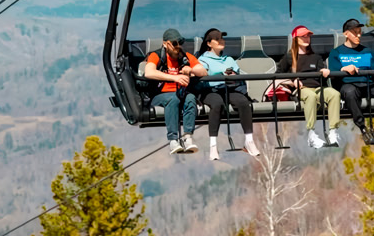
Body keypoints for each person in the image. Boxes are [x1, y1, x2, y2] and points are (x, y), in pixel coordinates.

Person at [328, 18, 374, 152]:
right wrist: (343, 69)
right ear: (346, 34)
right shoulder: (337, 53)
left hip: (369, 84)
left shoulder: (368, 51)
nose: (358, 35)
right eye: (355, 32)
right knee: (350, 93)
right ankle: (363, 128)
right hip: (349, 84)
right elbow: (333, 72)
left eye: (360, 32)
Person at [193, 28, 260, 160]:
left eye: (222, 38)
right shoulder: (202, 60)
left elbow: (236, 74)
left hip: (228, 88)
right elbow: (203, 78)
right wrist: (221, 75)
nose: (221, 41)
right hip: (210, 90)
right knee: (217, 104)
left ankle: (249, 140)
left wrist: (231, 76)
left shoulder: (228, 59)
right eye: (217, 39)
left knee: (243, 102)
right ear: (209, 43)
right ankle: (213, 145)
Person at [276, 25, 341, 149]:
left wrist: (324, 72)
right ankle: (311, 133)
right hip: (300, 90)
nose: (307, 39)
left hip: (317, 88)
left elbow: (321, 73)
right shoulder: (289, 58)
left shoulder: (316, 57)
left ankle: (333, 131)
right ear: (296, 39)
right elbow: (277, 77)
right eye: (303, 36)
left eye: (308, 36)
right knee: (310, 96)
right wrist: (292, 82)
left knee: (334, 94)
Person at [143, 28, 206, 154]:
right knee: (173, 98)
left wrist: (191, 70)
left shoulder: (184, 56)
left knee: (190, 98)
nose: (178, 47)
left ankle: (188, 137)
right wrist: (174, 77)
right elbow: (149, 72)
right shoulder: (156, 56)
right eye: (174, 43)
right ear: (165, 44)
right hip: (160, 95)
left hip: (180, 94)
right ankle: (173, 139)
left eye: (180, 43)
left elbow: (203, 71)